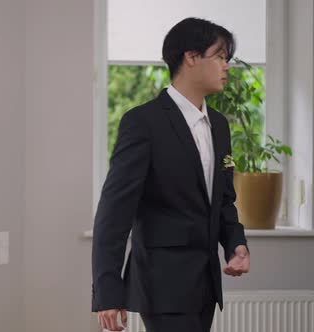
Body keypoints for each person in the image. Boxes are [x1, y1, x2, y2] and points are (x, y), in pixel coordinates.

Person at [91, 18, 251, 332]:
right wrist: (108, 291)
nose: (227, 66)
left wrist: (237, 245)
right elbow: (114, 212)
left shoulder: (219, 126)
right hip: (162, 286)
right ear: (190, 57)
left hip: (205, 285)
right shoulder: (143, 123)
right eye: (220, 56)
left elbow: (223, 201)